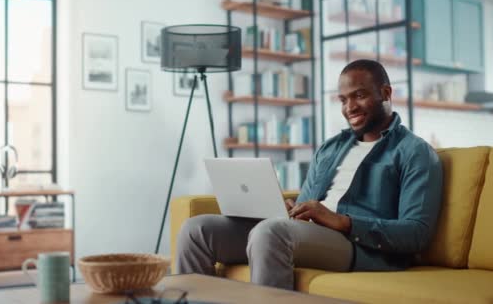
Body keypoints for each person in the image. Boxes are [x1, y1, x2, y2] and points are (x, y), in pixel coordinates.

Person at [176, 59, 443, 290]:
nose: (350, 107)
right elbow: (304, 208)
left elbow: (416, 233)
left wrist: (343, 222)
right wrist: (291, 209)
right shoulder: (331, 148)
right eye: (343, 99)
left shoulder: (414, 152)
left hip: (360, 247)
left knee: (272, 233)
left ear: (385, 93)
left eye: (359, 95)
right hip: (310, 235)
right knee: (196, 230)